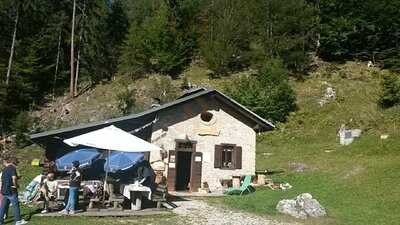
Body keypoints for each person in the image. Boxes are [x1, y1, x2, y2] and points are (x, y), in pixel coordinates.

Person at [0, 156, 28, 225]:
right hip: (11, 190)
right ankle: (18, 221)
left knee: (3, 206)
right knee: (15, 205)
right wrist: (16, 185)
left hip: (4, 190)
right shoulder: (12, 168)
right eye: (16, 163)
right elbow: (13, 178)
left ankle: (0, 221)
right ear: (13, 162)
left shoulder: (4, 169)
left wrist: (17, 177)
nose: (17, 164)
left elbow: (6, 178)